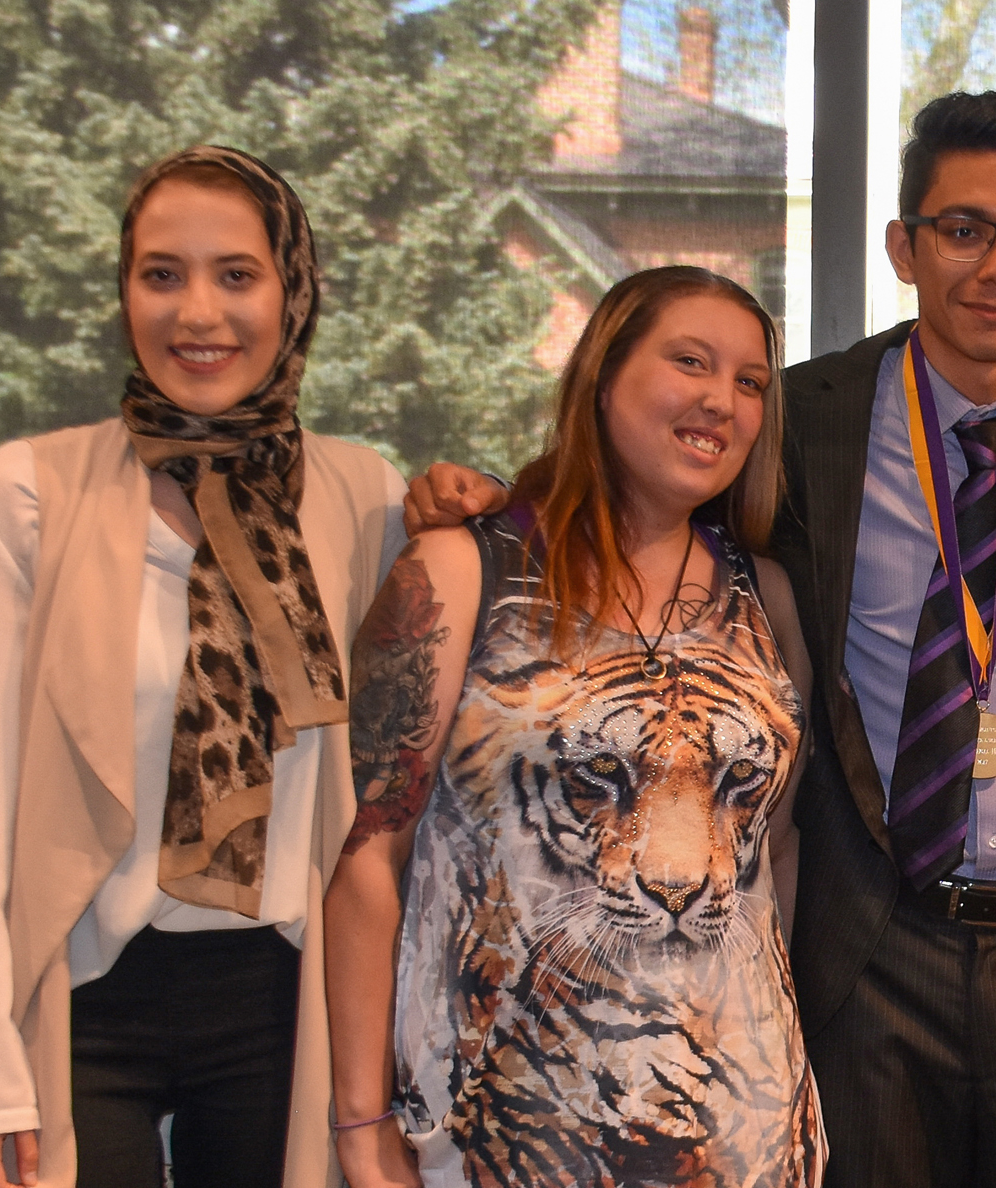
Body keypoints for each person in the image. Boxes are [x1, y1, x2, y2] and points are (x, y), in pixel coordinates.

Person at [405, 91, 996, 1188]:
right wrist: (484, 501)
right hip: (873, 938)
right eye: (961, 230)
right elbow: (654, 497)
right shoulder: (800, 414)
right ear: (903, 247)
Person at [0, 146, 407, 1188]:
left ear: (293, 292)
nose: (198, 313)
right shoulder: (29, 494)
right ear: (124, 291)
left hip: (284, 1003)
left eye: (236, 274)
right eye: (161, 273)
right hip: (81, 997)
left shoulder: (365, 495)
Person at [323, 265, 822, 1188]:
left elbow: (770, 862)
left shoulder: (768, 597)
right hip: (496, 1127)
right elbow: (366, 857)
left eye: (751, 382)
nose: (722, 400)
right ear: (603, 376)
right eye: (691, 362)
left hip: (735, 1139)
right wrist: (361, 1126)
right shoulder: (463, 569)